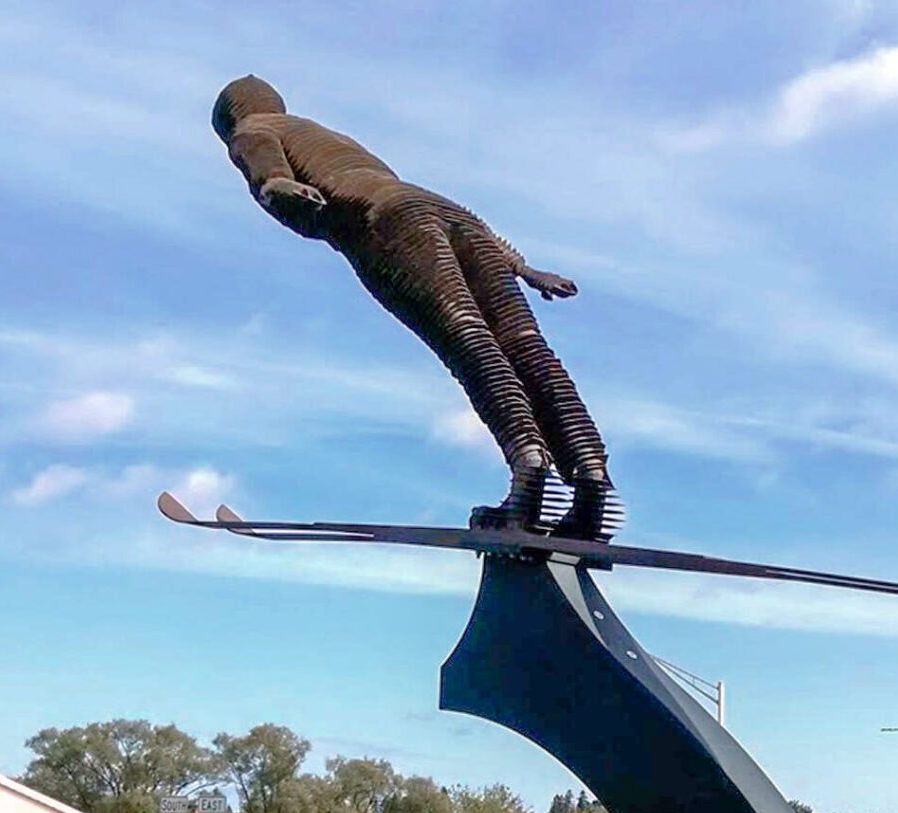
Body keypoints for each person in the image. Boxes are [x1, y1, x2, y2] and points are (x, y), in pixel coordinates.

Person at [212, 75, 617, 540]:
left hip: (386, 221)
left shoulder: (252, 130)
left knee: (468, 339)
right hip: (449, 212)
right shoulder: (328, 134)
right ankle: (590, 478)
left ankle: (529, 471)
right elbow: (412, 193)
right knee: (527, 349)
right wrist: (521, 267)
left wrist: (276, 187)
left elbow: (270, 173)